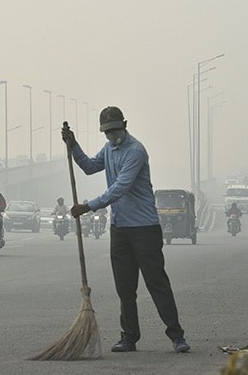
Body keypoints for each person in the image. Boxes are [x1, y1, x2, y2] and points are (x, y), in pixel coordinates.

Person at [62, 106, 190, 354]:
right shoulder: (109, 149)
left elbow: (120, 187)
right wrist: (73, 146)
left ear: (125, 125)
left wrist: (88, 206)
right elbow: (89, 167)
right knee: (125, 287)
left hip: (144, 228)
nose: (111, 136)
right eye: (107, 132)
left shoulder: (135, 151)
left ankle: (176, 335)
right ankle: (129, 337)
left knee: (156, 283)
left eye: (115, 130)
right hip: (119, 228)